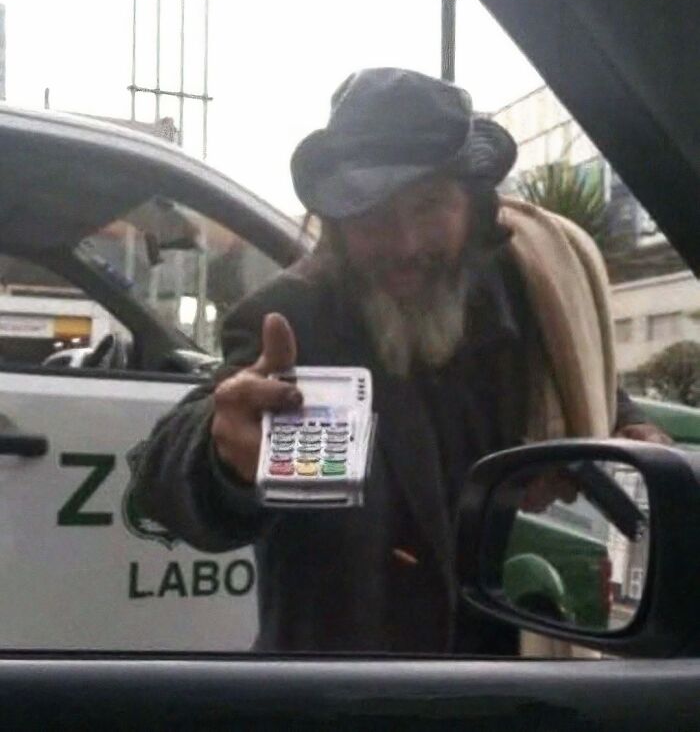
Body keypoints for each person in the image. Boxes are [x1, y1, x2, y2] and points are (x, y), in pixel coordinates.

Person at [132, 67, 668, 655]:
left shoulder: (532, 296)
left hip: (510, 678)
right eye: (373, 214)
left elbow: (594, 394)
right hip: (350, 689)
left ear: (473, 206)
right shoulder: (290, 317)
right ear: (335, 225)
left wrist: (627, 437)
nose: (406, 243)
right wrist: (219, 457)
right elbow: (157, 482)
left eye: (430, 205)